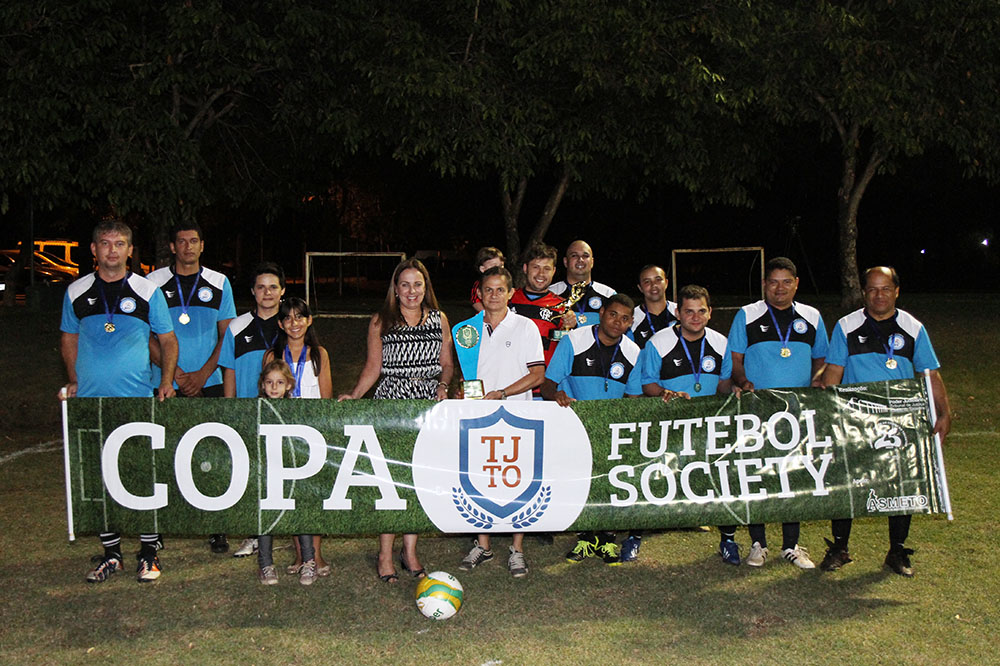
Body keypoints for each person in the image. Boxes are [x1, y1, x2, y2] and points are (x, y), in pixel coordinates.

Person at [59, 219, 178, 583]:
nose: (112, 250)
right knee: (100, 479)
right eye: (105, 243)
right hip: (92, 401)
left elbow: (168, 340)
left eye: (120, 243)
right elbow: (69, 339)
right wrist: (75, 379)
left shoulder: (146, 290)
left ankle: (149, 552)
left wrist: (166, 381)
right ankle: (111, 554)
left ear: (130, 250)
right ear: (94, 250)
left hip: (136, 399)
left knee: (141, 476)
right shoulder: (76, 291)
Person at [819, 266, 951, 577]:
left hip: (899, 422)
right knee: (846, 483)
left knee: (901, 484)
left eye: (886, 289)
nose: (879, 295)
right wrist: (828, 413)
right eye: (873, 289)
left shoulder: (913, 328)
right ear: (864, 292)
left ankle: (897, 551)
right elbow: (834, 372)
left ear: (896, 291)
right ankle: (839, 548)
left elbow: (929, 374)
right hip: (854, 421)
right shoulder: (847, 326)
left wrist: (944, 413)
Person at [338, 258, 455, 583]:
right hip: (391, 406)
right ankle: (385, 554)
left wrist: (443, 385)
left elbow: (447, 364)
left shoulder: (440, 319)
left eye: (417, 284)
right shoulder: (381, 321)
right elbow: (373, 367)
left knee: (419, 480)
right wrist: (355, 395)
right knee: (390, 482)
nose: (411, 291)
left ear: (426, 287)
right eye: (405, 284)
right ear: (395, 288)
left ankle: (410, 551)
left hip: (427, 407)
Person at [722, 256, 828, 569]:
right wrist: (743, 381)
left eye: (786, 282)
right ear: (764, 285)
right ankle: (758, 543)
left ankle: (791, 545)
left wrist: (816, 380)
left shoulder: (811, 316)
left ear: (796, 284)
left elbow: (821, 358)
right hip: (757, 408)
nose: (779, 288)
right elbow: (735, 359)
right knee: (757, 473)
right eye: (773, 282)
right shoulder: (747, 314)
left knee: (791, 474)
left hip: (796, 410)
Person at [147, 222, 236, 553]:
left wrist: (202, 375)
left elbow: (227, 335)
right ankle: (158, 525)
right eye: (181, 242)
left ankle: (216, 525)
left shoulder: (219, 282)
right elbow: (147, 337)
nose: (187, 247)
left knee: (211, 453)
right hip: (166, 383)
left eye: (193, 241)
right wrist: (178, 375)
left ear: (202, 245)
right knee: (163, 453)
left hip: (209, 382)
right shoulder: (152, 283)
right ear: (172, 247)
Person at [452, 266, 545, 577]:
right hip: (479, 416)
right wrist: (462, 391)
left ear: (510, 293)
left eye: (500, 290)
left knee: (518, 479)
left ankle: (517, 549)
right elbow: (468, 375)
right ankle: (483, 545)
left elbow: (537, 374)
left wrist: (503, 393)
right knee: (479, 477)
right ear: (479, 293)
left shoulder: (526, 327)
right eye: (488, 290)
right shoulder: (467, 330)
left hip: (518, 416)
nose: (493, 295)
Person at [542, 293, 643, 565]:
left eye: (625, 318)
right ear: (601, 313)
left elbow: (633, 399)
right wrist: (557, 396)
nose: (618, 322)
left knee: (610, 482)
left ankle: (608, 539)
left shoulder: (634, 352)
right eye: (613, 315)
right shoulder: (574, 341)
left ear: (631, 323)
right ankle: (586, 538)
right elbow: (547, 385)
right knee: (582, 482)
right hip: (577, 426)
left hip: (612, 429)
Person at [638, 284, 734, 562]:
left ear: (710, 312)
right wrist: (665, 392)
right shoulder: (658, 342)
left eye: (701, 311)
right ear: (678, 313)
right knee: (658, 475)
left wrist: (735, 391)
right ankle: (638, 532)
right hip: (669, 421)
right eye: (689, 311)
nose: (695, 317)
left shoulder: (720, 342)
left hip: (707, 423)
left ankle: (726, 537)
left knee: (713, 475)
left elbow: (724, 384)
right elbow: (647, 383)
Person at [219, 262, 286, 559]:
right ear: (252, 292)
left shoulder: (292, 323)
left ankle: (287, 530)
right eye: (261, 287)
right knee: (252, 475)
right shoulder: (237, 326)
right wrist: (231, 409)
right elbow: (229, 370)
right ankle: (253, 533)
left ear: (282, 291)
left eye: (273, 287)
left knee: (281, 472)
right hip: (249, 411)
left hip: (283, 414)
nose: (267, 293)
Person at [263, 297, 333, 577]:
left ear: (309, 320)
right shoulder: (272, 355)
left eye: (300, 316)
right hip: (283, 434)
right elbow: (265, 397)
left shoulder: (319, 354)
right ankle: (301, 555)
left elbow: (326, 397)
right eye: (288, 318)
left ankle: (316, 554)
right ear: (280, 324)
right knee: (291, 495)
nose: (294, 323)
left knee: (312, 495)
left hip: (312, 434)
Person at [254, 359, 323, 585]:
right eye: (269, 382)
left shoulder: (296, 410)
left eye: (280, 382)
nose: (274, 387)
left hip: (292, 471)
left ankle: (308, 561)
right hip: (266, 473)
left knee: (300, 513)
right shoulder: (256, 409)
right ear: (262, 385)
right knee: (266, 517)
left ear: (289, 386)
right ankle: (266, 564)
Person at [508, 242, 577, 389]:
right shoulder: (509, 300)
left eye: (546, 269)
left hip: (544, 390)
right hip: (509, 385)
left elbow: (570, 350)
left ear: (554, 271)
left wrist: (572, 326)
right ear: (525, 268)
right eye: (536, 267)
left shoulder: (563, 307)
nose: (541, 274)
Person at [549, 240, 616, 327]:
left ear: (592, 262)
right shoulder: (551, 293)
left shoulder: (609, 295)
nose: (580, 260)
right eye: (574, 255)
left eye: (585, 256)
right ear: (565, 262)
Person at [629, 265, 677, 349]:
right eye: (647, 281)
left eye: (658, 279)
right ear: (640, 288)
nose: (653, 285)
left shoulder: (681, 312)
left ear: (666, 283)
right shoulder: (632, 318)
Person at [470, 246, 504, 313]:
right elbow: (475, 302)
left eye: (501, 266)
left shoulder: (505, 283)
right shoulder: (480, 284)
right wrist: (488, 313)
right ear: (483, 269)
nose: (498, 269)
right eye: (494, 266)